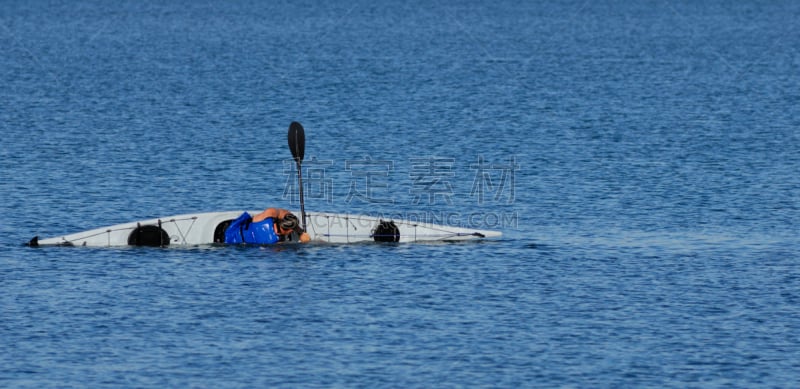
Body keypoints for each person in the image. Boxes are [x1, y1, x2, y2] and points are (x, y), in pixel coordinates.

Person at [224, 208, 310, 244]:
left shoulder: (269, 214)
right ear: (290, 230)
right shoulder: (276, 243)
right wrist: (300, 232)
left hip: (230, 230)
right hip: (234, 244)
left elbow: (283, 212)